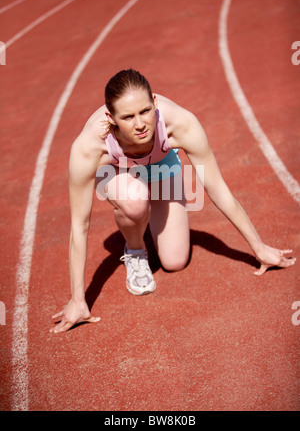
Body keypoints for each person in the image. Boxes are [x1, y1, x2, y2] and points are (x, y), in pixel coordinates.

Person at [50, 69, 296, 333]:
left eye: (144, 111)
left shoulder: (181, 124)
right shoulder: (90, 146)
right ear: (111, 118)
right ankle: (135, 250)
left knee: (175, 262)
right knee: (135, 202)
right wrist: (78, 299)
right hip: (117, 170)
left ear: (155, 102)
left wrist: (258, 248)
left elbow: (217, 189)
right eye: (128, 117)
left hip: (160, 166)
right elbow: (80, 225)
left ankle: (150, 210)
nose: (140, 124)